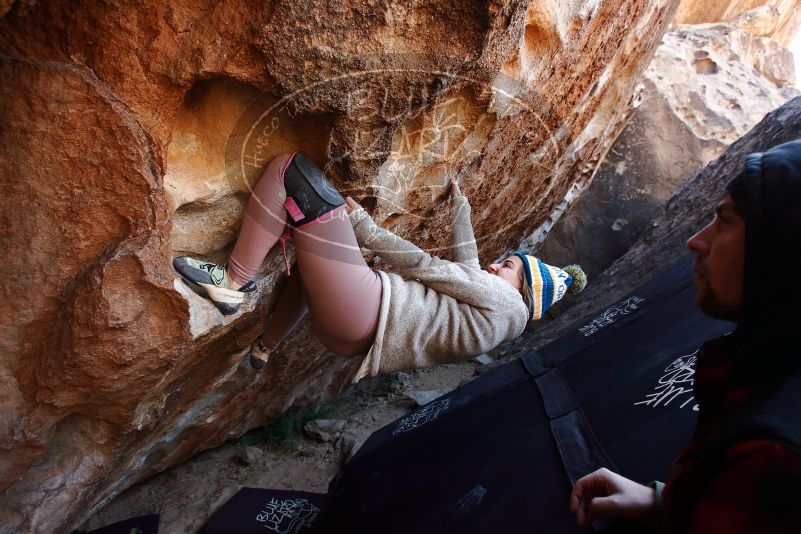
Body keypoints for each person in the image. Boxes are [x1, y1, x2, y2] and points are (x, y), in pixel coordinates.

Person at [173, 151, 586, 377]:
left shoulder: (504, 302)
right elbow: (469, 268)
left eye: (509, 266)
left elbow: (429, 267)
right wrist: (461, 208)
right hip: (351, 337)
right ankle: (266, 347)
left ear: (525, 287)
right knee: (311, 253)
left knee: (292, 171)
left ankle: (232, 279)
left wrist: (364, 227)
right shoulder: (501, 320)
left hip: (365, 308)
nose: (498, 268)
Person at [569, 139, 801, 533]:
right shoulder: (765, 370)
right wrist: (668, 503)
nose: (695, 240)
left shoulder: (776, 456)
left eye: (725, 222)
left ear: (782, 250)